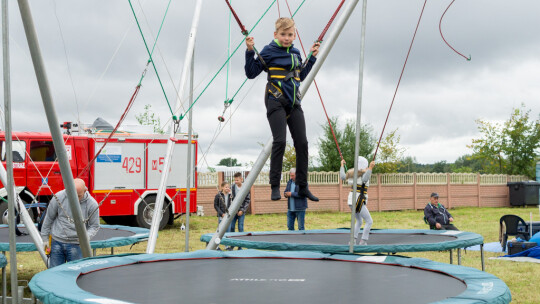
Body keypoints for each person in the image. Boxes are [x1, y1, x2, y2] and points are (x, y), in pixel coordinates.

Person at [245, 17, 320, 202]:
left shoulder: (295, 52)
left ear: (294, 35)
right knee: (280, 141)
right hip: (275, 100)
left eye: (290, 35)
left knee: (302, 143)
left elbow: (300, 76)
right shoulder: (269, 51)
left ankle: (303, 186)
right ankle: (274, 186)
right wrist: (249, 51)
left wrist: (312, 57)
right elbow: (251, 73)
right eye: (283, 34)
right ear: (275, 34)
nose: (287, 38)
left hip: (294, 103)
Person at [41, 178, 100, 268]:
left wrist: (85, 237)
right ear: (68, 189)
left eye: (79, 196)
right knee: (55, 274)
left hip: (76, 244)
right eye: (72, 196)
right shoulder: (59, 197)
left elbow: (94, 226)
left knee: (75, 273)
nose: (75, 200)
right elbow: (48, 219)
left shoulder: (92, 204)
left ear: (85, 190)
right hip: (56, 242)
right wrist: (45, 241)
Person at [340, 157, 375, 245]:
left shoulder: (352, 173)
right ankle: (363, 241)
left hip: (351, 200)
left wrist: (342, 166)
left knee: (359, 221)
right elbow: (365, 180)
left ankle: (352, 240)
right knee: (369, 221)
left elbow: (343, 177)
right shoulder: (363, 173)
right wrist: (370, 168)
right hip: (358, 199)